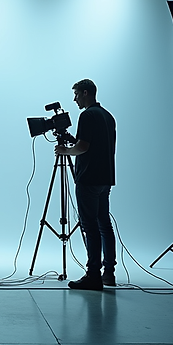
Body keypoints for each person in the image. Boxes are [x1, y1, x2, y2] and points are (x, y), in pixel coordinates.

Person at [56, 79, 116, 291]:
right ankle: (109, 273)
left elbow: (82, 147)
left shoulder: (87, 115)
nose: (75, 100)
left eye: (76, 95)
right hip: (105, 178)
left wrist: (65, 151)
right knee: (104, 225)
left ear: (85, 92)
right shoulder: (108, 116)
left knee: (90, 227)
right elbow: (94, 145)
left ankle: (93, 276)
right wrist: (73, 141)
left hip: (89, 178)